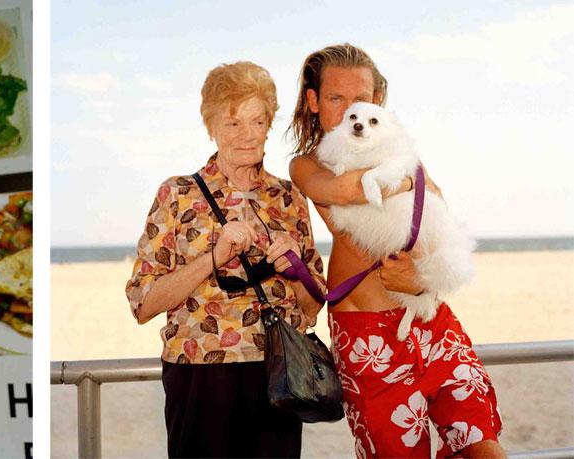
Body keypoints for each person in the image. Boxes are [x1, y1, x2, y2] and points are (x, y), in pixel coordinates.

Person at [287, 43, 504, 458]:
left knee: (485, 447)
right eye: (336, 99)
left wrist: (421, 279)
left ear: (378, 103)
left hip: (430, 318)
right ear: (314, 101)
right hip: (367, 336)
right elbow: (349, 191)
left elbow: (437, 211)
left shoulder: (400, 155)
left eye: (362, 101)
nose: (351, 113)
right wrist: (404, 179)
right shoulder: (308, 164)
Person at [125, 61, 326, 458]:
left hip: (280, 377)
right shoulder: (177, 194)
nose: (247, 136)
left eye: (257, 121)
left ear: (269, 125)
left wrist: (296, 269)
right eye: (233, 123)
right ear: (211, 127)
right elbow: (143, 303)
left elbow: (314, 304)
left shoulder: (288, 198)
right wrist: (213, 258)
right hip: (200, 374)